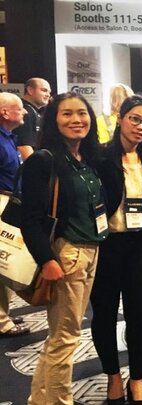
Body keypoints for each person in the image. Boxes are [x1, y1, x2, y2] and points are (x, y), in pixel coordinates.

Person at [21, 92, 107, 404]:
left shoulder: (87, 159)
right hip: (66, 253)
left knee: (61, 336)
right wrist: (47, 259)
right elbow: (28, 219)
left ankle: (41, 400)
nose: (76, 120)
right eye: (67, 114)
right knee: (66, 337)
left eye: (82, 114)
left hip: (90, 250)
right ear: (54, 120)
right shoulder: (43, 161)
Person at [91, 95, 142, 403]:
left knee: (139, 315)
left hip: (140, 245)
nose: (140, 127)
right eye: (135, 119)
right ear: (120, 118)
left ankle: (136, 377)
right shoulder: (101, 156)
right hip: (107, 244)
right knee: (104, 312)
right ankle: (112, 375)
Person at [0, 92, 31, 338]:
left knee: (5, 264)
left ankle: (4, 313)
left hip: (10, 203)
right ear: (5, 113)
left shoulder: (8, 137)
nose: (25, 112)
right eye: (19, 109)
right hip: (1, 203)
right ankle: (2, 321)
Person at [13, 77, 52, 160]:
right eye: (44, 90)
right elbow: (24, 146)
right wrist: (34, 170)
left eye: (49, 92)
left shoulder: (33, 110)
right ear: (30, 90)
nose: (48, 95)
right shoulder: (26, 112)